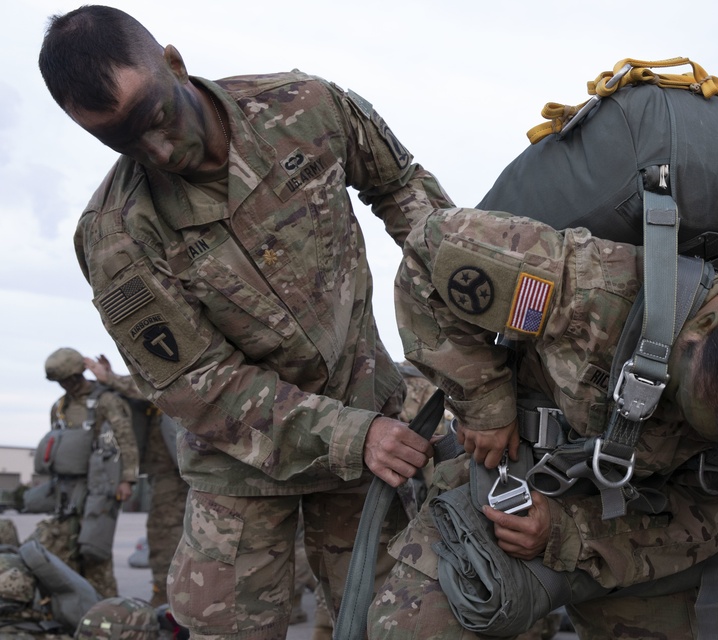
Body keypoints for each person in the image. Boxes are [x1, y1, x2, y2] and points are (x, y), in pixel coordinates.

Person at [38, 6, 452, 638]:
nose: (157, 151)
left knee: (386, 623)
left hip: (371, 423)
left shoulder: (304, 107)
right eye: (122, 142)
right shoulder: (117, 237)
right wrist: (349, 435)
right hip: (242, 466)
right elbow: (200, 386)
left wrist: (462, 305)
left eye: (155, 118)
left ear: (174, 63)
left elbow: (401, 188)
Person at [367, 208, 718, 639]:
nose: (713, 436)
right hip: (504, 471)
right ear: (701, 331)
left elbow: (705, 522)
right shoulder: (591, 288)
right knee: (412, 629)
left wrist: (568, 534)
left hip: (631, 524)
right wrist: (483, 401)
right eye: (710, 412)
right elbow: (429, 252)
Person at [30, 347, 140, 599]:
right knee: (63, 549)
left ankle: (107, 611)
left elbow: (125, 439)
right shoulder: (59, 407)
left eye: (69, 379)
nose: (66, 385)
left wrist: (127, 479)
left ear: (77, 374)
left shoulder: (106, 400)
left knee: (94, 550)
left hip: (100, 484)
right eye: (60, 381)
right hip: (67, 488)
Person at [83, 355, 185, 608]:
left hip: (174, 475)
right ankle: (169, 594)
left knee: (162, 535)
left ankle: (166, 597)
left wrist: (110, 378)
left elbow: (155, 389)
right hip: (167, 472)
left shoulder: (175, 376)